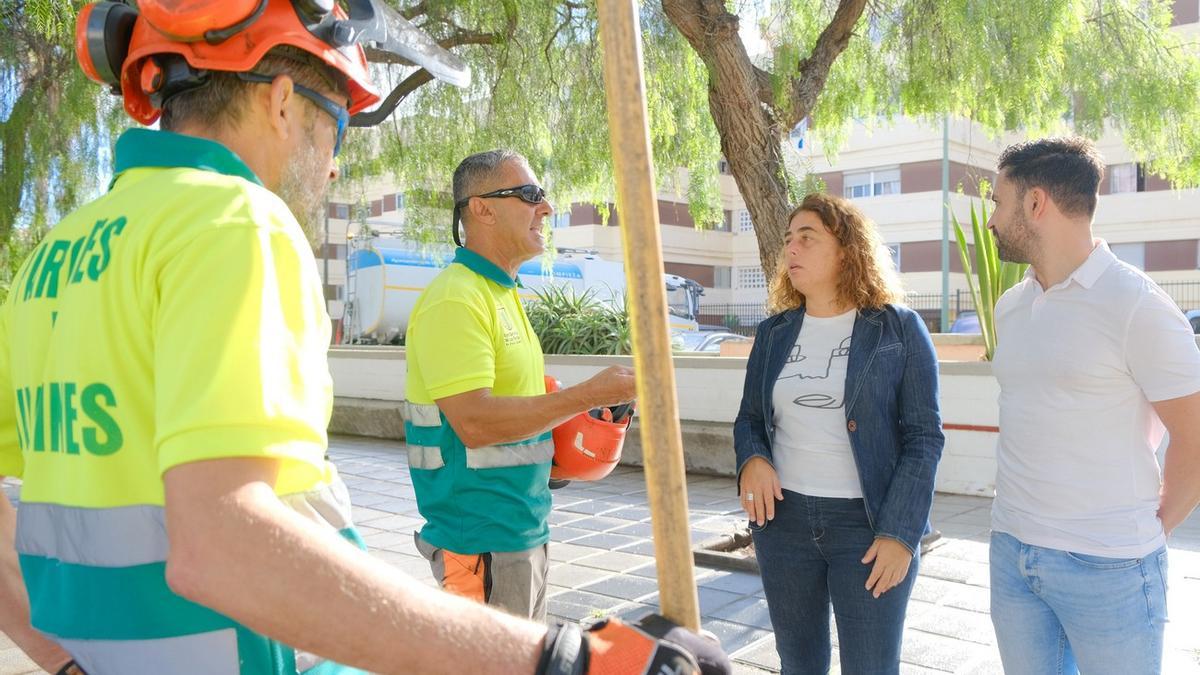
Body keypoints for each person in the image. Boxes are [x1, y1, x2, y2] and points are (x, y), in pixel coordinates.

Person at [0, 2, 730, 674]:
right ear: (282, 100)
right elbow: (220, 545)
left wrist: (67, 664)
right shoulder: (235, 224)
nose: (335, 159)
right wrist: (568, 659)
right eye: (336, 124)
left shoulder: (49, 259)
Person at [986, 137, 1200, 674]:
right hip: (1013, 554)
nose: (990, 219)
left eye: (997, 201)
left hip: (1110, 568)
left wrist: (1146, 533)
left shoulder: (1138, 306)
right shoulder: (1011, 306)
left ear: (1036, 203)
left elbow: (1194, 435)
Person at [404, 149, 638, 620]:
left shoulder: (503, 293)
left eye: (543, 196)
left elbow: (517, 413)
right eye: (530, 195)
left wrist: (577, 423)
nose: (546, 208)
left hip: (520, 530)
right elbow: (474, 422)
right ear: (482, 208)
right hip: (479, 540)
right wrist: (588, 394)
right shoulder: (456, 298)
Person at [733, 193, 944, 674]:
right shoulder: (774, 333)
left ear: (848, 250)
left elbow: (924, 438)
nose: (792, 249)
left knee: (870, 667)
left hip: (868, 528)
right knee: (798, 665)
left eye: (807, 238)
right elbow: (749, 419)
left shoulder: (898, 329)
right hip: (782, 526)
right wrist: (754, 459)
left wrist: (900, 534)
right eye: (788, 239)